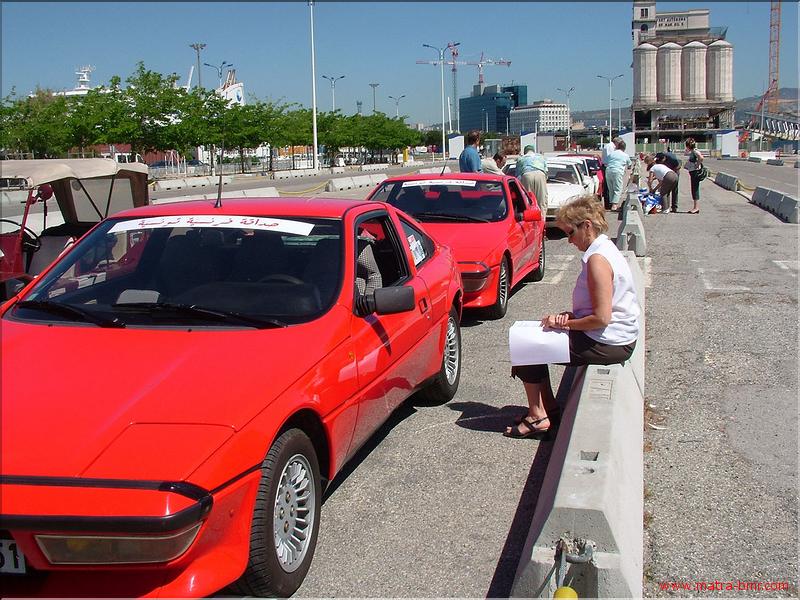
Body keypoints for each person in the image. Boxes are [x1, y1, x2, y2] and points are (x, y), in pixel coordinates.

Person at [504, 196, 641, 438]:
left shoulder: (598, 261)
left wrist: (567, 323)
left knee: (524, 343)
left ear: (587, 225)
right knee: (532, 336)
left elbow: (601, 318)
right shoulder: (604, 249)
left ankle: (538, 415)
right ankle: (549, 409)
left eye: (570, 233)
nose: (568, 240)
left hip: (608, 342)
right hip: (612, 336)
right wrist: (568, 318)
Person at [516, 145, 548, 214]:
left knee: (528, 200)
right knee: (541, 201)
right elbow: (546, 172)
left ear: (525, 151)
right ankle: (542, 219)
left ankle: (530, 220)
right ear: (533, 150)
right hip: (540, 174)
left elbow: (518, 176)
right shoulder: (541, 157)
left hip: (527, 175)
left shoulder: (521, 159)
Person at [605, 140, 631, 211]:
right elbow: (629, 164)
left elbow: (606, 162)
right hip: (617, 171)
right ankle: (614, 205)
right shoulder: (625, 155)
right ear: (624, 148)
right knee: (618, 188)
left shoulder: (612, 154)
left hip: (608, 170)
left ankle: (611, 203)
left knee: (611, 189)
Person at [684, 138, 704, 214]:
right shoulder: (693, 151)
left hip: (695, 172)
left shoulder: (695, 151)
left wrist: (697, 165)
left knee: (695, 189)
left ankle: (696, 207)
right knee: (694, 188)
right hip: (692, 171)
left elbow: (701, 158)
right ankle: (695, 207)